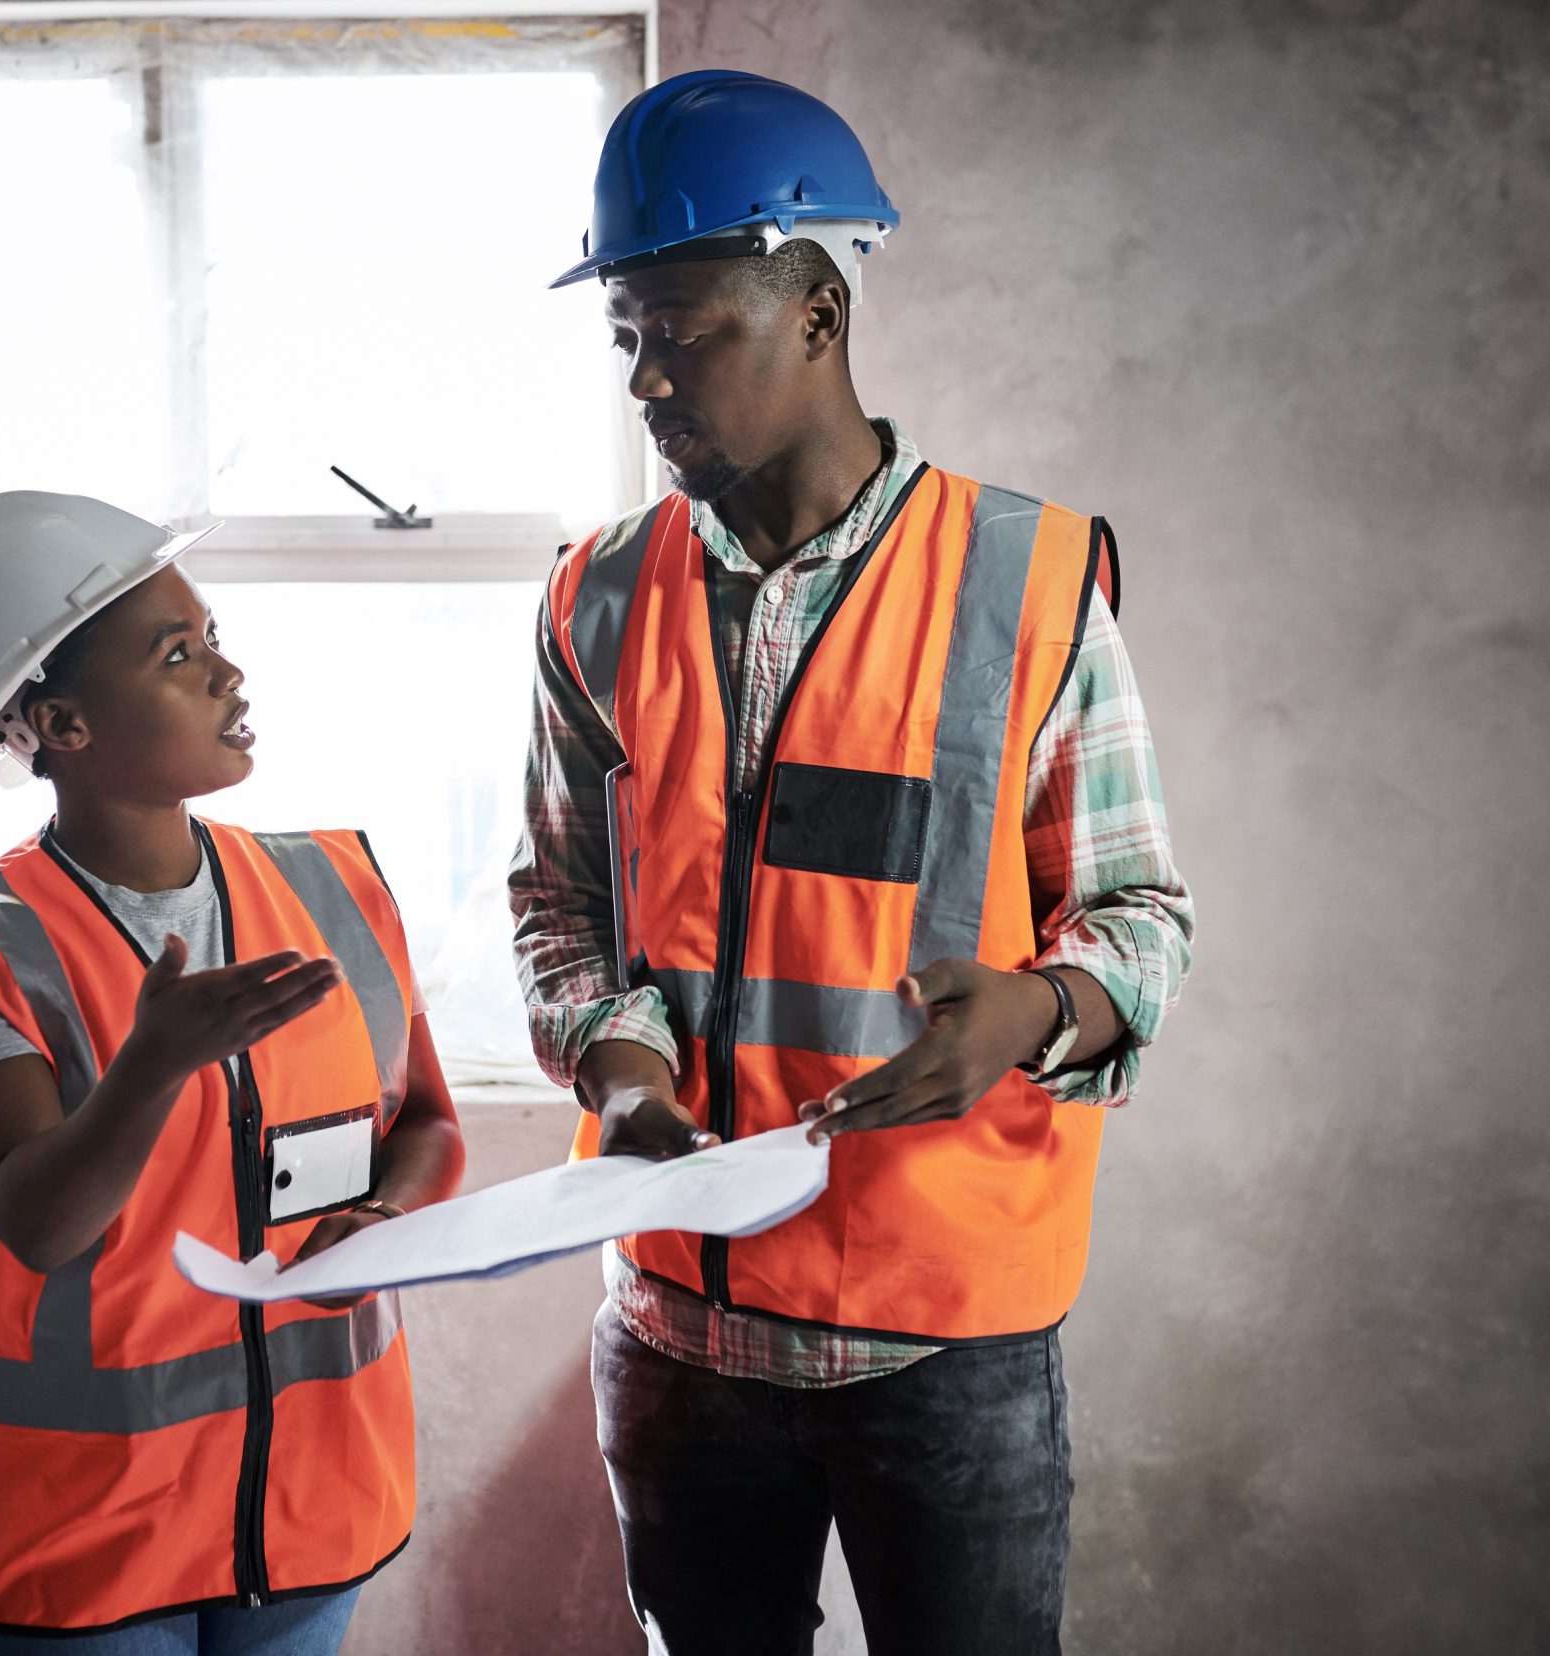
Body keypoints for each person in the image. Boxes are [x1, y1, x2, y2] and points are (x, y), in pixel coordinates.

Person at [510, 71, 1196, 1653]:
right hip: (676, 1339)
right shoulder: (593, 600)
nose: (646, 379)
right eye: (625, 336)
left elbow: (1140, 916)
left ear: (815, 310)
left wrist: (1029, 1017)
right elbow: (555, 907)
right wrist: (617, 1062)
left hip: (941, 1349)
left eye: (683, 328)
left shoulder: (1024, 578)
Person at [0, 491, 466, 1653]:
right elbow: (35, 1223)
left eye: (214, 637)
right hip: (77, 1556)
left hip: (308, 1522)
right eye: (179, 654)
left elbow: (428, 1126)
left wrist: (385, 1219)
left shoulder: (336, 885)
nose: (228, 676)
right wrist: (149, 1070)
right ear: (65, 723)